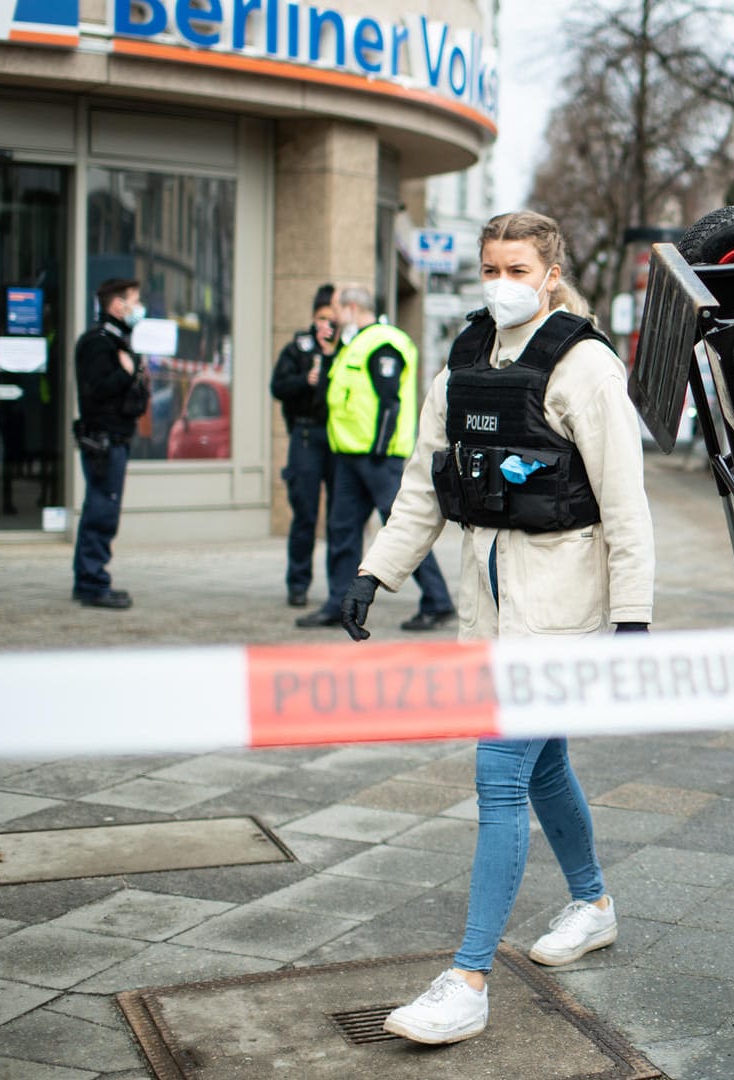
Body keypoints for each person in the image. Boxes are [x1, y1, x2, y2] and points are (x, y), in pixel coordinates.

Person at [334, 210, 653, 1046]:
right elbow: (424, 483)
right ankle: (592, 904)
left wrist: (633, 620)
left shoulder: (585, 365)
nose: (499, 282)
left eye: (516, 268)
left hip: (560, 612)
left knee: (502, 772)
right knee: (545, 769)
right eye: (489, 267)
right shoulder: (465, 359)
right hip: (490, 607)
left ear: (550, 272)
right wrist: (378, 571)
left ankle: (469, 977)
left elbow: (626, 503)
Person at [294, 284, 456, 631]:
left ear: (352, 307)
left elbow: (390, 402)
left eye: (337, 309)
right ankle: (338, 603)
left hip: (377, 460)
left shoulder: (385, 341)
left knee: (405, 529)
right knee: (341, 530)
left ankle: (438, 602)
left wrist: (380, 449)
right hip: (350, 457)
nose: (334, 317)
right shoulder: (354, 344)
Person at [71, 277, 150, 609]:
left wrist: (133, 375)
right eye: (134, 300)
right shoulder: (98, 342)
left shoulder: (118, 340)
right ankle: (91, 583)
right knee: (101, 511)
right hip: (103, 439)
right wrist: (126, 373)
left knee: (104, 508)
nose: (138, 307)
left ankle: (91, 578)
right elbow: (96, 391)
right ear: (118, 304)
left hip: (116, 437)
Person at [269, 283, 339, 607]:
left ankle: (341, 590)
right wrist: (305, 380)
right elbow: (278, 386)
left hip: (338, 440)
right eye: (323, 318)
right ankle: (298, 584)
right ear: (313, 317)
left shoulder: (347, 348)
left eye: (333, 318)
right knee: (305, 514)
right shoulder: (298, 348)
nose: (328, 324)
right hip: (306, 435)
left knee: (340, 518)